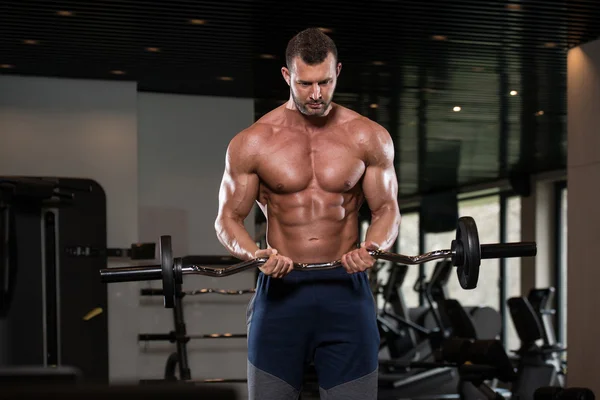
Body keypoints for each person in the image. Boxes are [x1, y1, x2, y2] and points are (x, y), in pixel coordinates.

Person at [215, 27, 401, 400]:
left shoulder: (368, 136)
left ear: (338, 73)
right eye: (304, 83)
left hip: (346, 291)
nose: (316, 95)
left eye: (324, 82)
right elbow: (227, 220)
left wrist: (373, 247)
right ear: (287, 76)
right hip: (282, 294)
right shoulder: (253, 142)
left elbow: (387, 209)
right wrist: (256, 254)